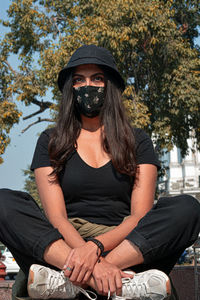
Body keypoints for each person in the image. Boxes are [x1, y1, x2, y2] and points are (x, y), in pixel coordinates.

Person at [0, 44, 199, 300]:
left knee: (187, 207)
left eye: (97, 79)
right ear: (71, 88)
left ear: (111, 87)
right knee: (3, 202)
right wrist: (84, 255)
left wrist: (98, 250)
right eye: (79, 79)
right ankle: (106, 281)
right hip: (66, 247)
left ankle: (72, 281)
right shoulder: (51, 140)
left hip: (125, 245)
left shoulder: (137, 141)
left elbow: (139, 216)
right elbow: (58, 218)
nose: (88, 86)